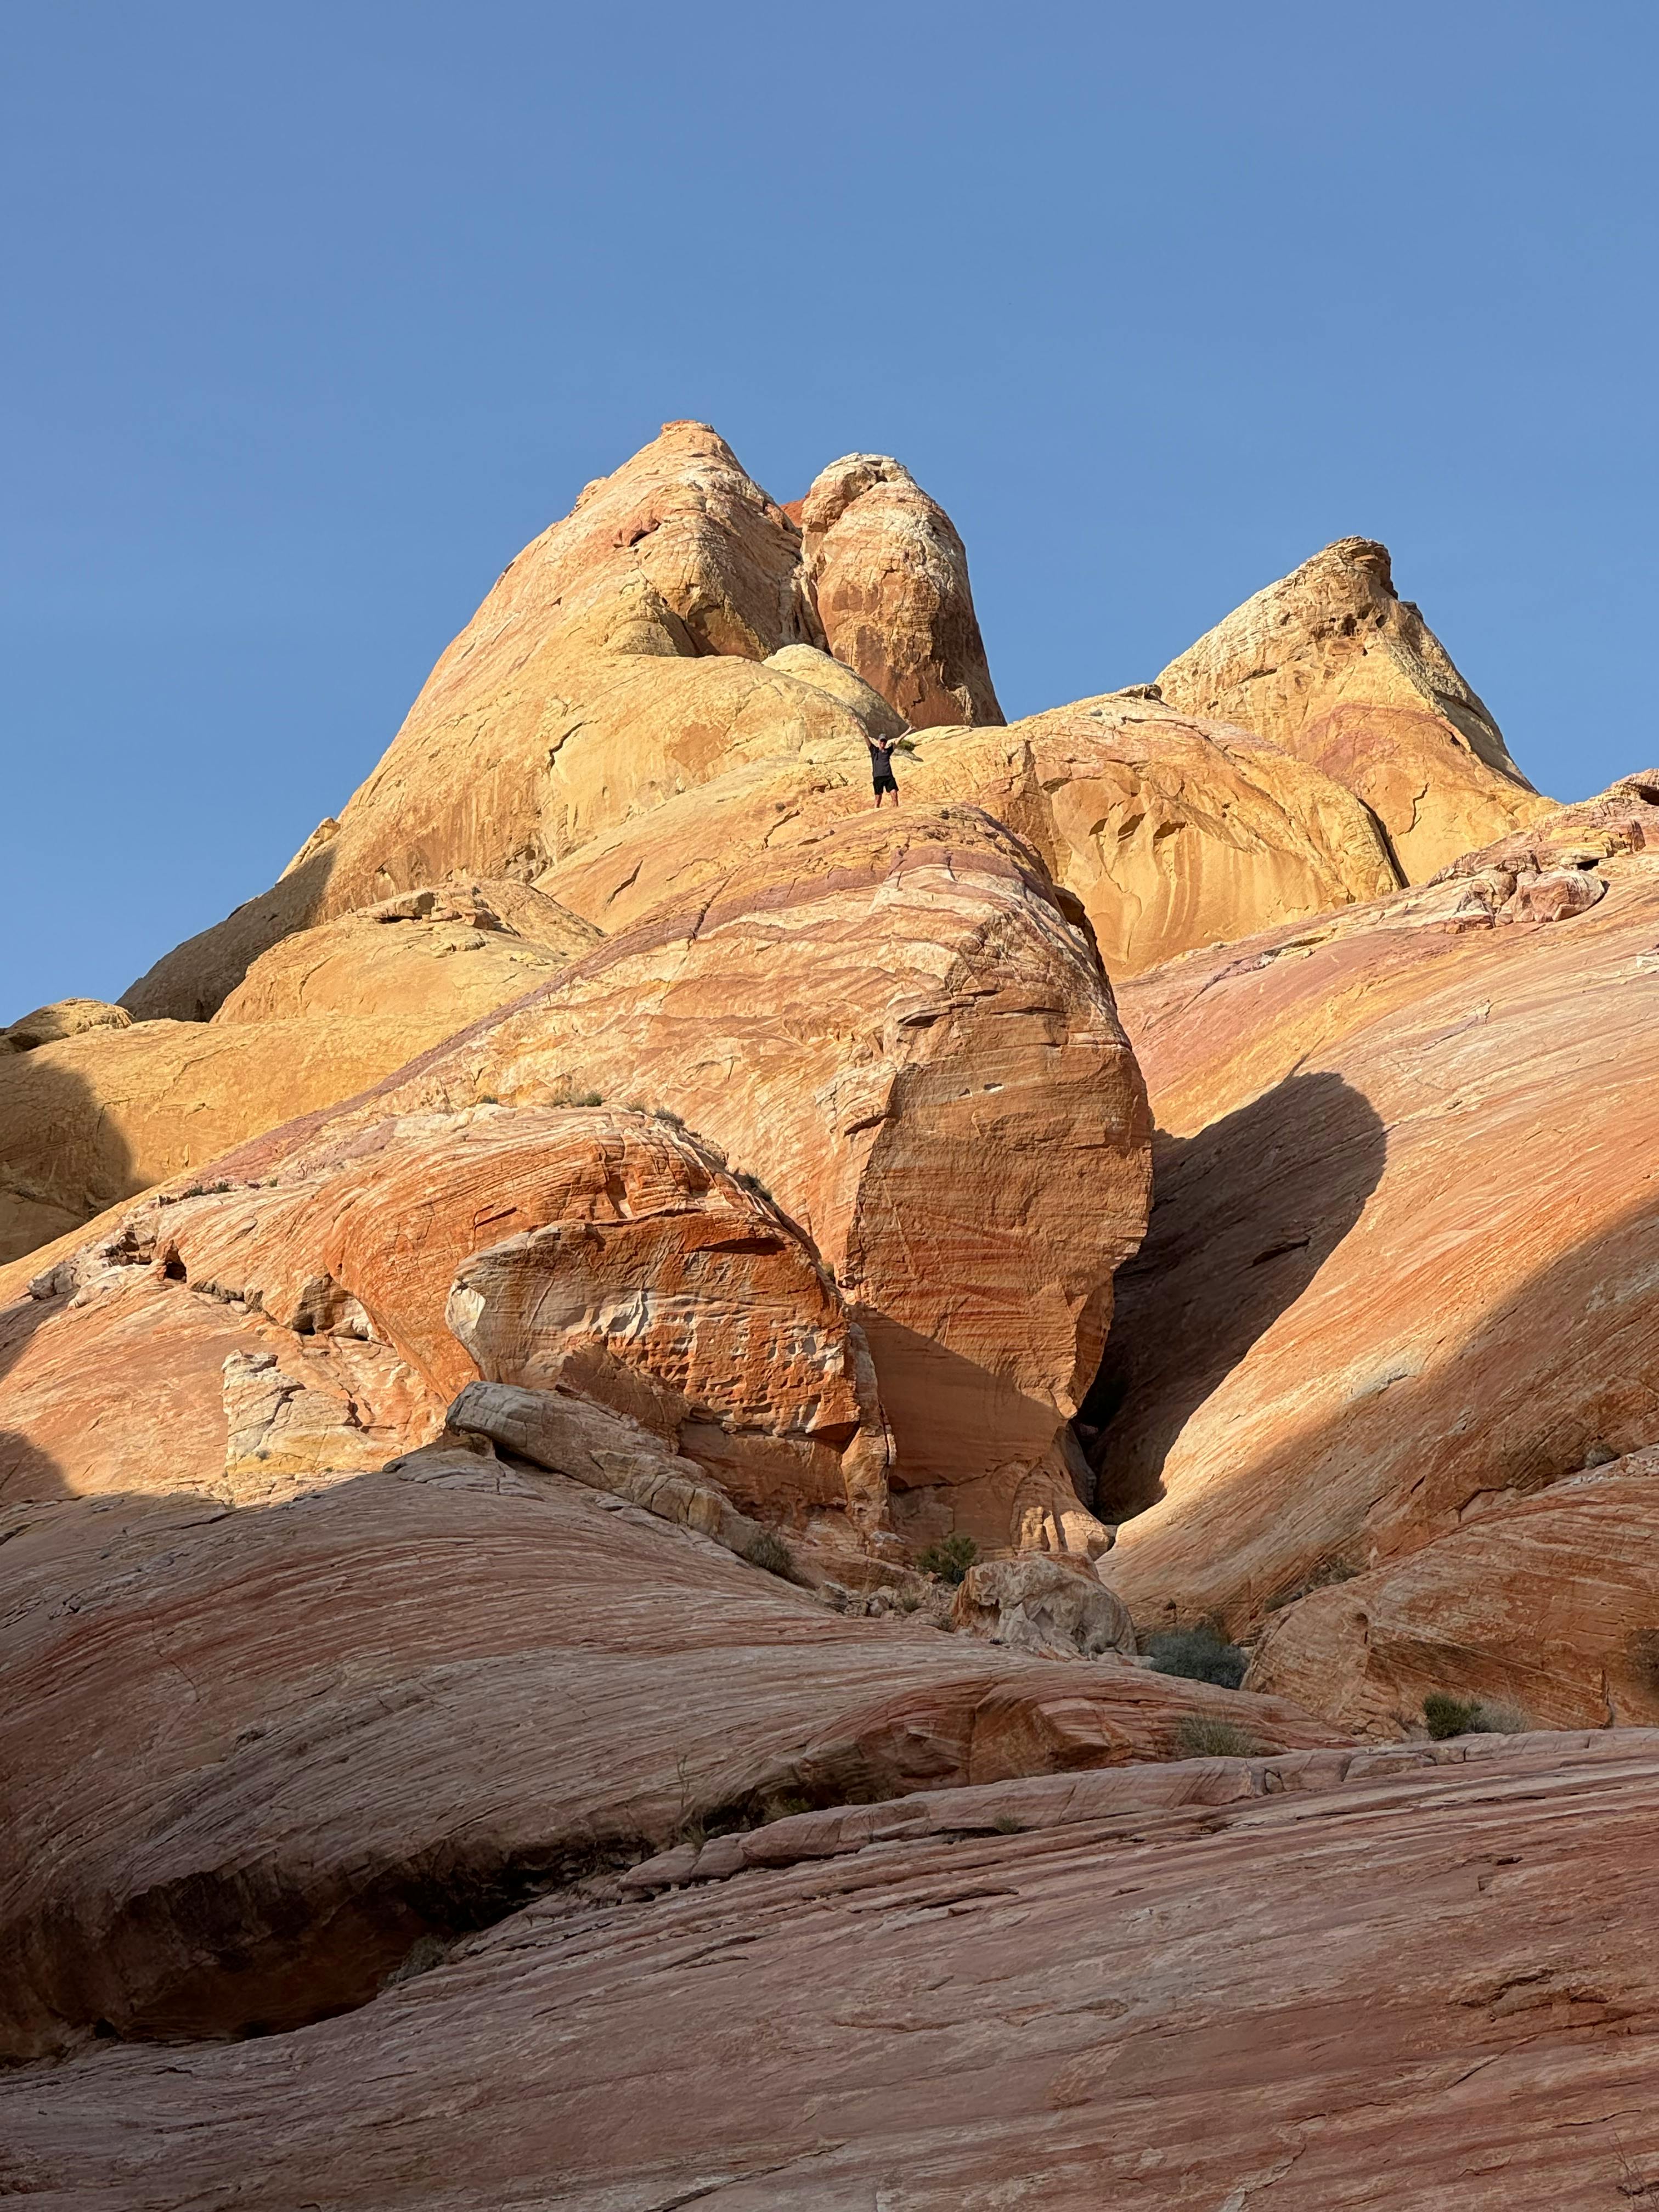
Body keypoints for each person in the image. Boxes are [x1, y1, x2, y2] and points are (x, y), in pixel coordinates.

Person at [866, 727, 906, 807]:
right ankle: (875, 815)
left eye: (884, 741)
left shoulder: (888, 751)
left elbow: (899, 741)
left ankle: (895, 812)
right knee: (878, 799)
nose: (883, 743)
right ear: (879, 741)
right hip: (878, 777)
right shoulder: (874, 750)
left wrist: (909, 729)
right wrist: (857, 724)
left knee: (894, 794)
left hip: (888, 776)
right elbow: (865, 737)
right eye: (882, 741)